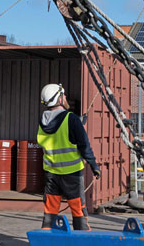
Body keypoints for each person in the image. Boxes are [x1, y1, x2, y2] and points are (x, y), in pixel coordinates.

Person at [37, 83, 100, 231]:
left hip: (51, 174)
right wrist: (94, 165)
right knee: (78, 211)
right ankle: (83, 240)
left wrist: (78, 122)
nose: (65, 97)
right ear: (59, 100)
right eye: (63, 95)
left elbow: (59, 129)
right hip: (72, 174)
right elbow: (84, 146)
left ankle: (45, 240)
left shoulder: (43, 121)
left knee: (50, 212)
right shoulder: (70, 119)